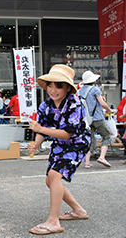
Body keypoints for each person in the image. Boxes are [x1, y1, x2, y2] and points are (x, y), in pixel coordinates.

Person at [28, 64, 91, 235]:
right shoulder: (45, 105)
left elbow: (67, 134)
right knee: (50, 180)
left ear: (68, 88)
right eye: (50, 85)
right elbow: (43, 127)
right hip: (59, 143)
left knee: (54, 175)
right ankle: (78, 211)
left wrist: (40, 130)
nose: (53, 90)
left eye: (59, 85)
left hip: (78, 143)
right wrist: (36, 143)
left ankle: (53, 221)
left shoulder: (74, 103)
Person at [79, 70, 112, 168]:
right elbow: (102, 104)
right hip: (98, 118)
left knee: (90, 139)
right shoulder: (95, 89)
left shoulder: (80, 91)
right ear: (93, 81)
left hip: (87, 119)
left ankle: (87, 162)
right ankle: (102, 157)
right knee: (106, 136)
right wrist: (109, 110)